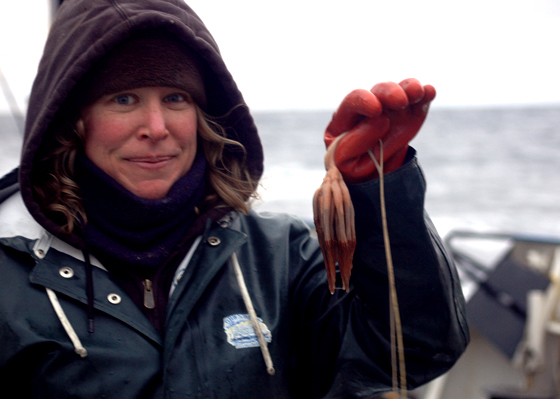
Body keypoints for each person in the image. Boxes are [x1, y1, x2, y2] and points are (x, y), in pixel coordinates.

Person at [0, 0, 469, 398]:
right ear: (70, 121)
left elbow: (416, 347)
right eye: (123, 99)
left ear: (204, 116)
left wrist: (379, 195)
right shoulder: (9, 271)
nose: (157, 127)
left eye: (176, 98)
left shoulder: (282, 258)